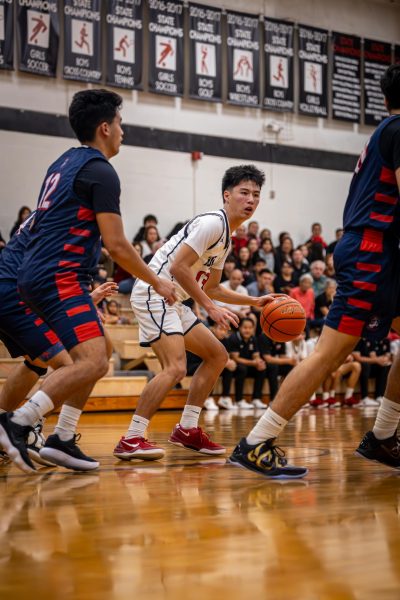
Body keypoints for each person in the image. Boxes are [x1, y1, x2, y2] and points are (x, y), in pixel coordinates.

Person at [229, 64, 400, 478]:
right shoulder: (398, 130)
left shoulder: (386, 130)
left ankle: (383, 435)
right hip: (371, 253)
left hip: (380, 252)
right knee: (329, 353)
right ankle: (255, 442)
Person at [0, 89, 176, 474]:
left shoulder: (62, 162)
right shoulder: (100, 170)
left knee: (101, 350)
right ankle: (16, 423)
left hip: (40, 273)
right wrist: (158, 281)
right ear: (105, 127)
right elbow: (116, 245)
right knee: (94, 360)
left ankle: (61, 438)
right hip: (55, 274)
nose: (122, 131)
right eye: (120, 124)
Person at [113, 164, 278, 461]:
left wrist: (255, 302)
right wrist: (212, 309)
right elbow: (177, 267)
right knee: (175, 368)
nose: (251, 199)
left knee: (217, 355)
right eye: (244, 193)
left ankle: (187, 429)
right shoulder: (212, 224)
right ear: (227, 195)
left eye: (256, 194)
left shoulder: (226, 236)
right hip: (155, 292)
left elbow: (212, 287)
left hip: (173, 299)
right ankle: (132, 438)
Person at [0, 210, 117, 468]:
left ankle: (16, 432)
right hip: (18, 291)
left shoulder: (53, 210)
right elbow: (51, 269)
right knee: (73, 365)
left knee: (37, 362)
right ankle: (24, 426)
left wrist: (86, 300)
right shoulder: (76, 218)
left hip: (13, 285)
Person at [223, 318, 267, 409]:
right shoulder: (234, 338)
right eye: (245, 327)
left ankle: (256, 399)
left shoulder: (253, 338)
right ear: (240, 328)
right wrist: (253, 362)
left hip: (248, 364)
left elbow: (256, 355)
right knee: (242, 369)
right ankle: (239, 400)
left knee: (262, 369)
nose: (247, 330)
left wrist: (259, 362)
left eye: (250, 328)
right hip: (234, 365)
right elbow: (236, 358)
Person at [353, 337, 391, 406]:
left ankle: (379, 396)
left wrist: (381, 360)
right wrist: (377, 360)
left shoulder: (372, 340)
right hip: (360, 365)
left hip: (370, 366)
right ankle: (364, 398)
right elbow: (358, 357)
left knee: (384, 366)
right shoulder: (358, 339)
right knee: (365, 366)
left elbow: (373, 355)